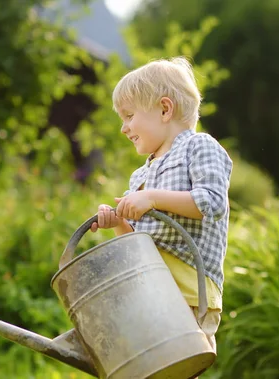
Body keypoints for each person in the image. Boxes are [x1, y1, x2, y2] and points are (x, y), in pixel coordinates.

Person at [89, 57, 233, 358]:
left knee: (182, 364)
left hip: (191, 290)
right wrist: (117, 220)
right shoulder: (141, 175)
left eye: (129, 116)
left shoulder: (199, 146)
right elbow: (135, 244)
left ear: (165, 109)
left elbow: (212, 201)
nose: (123, 128)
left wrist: (151, 198)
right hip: (152, 288)